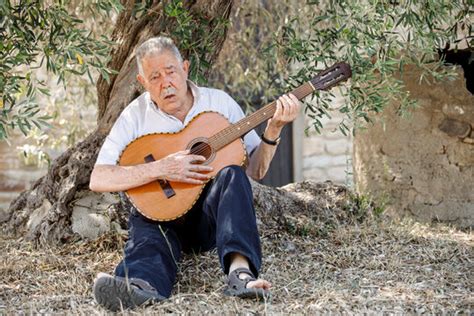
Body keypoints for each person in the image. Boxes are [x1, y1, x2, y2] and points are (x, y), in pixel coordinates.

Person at [89, 36, 301, 311]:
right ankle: (139, 286)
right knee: (146, 229)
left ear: (185, 68)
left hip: (207, 220)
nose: (166, 82)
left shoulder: (219, 103)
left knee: (232, 175)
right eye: (155, 77)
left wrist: (272, 132)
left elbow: (256, 170)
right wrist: (161, 168)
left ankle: (241, 276)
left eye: (171, 72)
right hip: (160, 215)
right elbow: (98, 178)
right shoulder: (135, 116)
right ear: (143, 83)